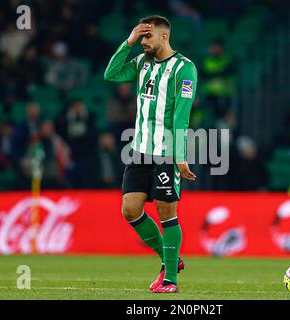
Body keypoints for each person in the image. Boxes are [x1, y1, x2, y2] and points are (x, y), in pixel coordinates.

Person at [104, 15, 198, 293]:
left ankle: (170, 279)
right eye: (141, 37)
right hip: (140, 151)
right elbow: (110, 74)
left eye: (147, 36)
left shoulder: (185, 69)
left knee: (166, 213)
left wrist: (180, 155)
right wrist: (128, 41)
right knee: (130, 209)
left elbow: (181, 117)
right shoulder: (141, 63)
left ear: (164, 36)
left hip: (167, 153)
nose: (144, 41)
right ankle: (170, 259)